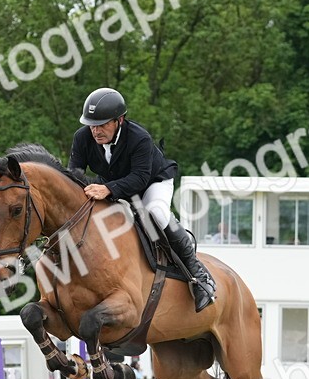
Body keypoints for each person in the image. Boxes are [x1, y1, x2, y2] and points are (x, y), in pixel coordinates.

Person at [69, 87, 216, 312]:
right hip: (113, 186)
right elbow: (74, 175)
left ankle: (198, 274)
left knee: (155, 213)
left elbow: (139, 178)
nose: (95, 131)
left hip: (151, 182)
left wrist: (107, 188)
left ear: (119, 120)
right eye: (92, 124)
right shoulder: (82, 137)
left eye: (102, 124)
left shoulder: (139, 138)